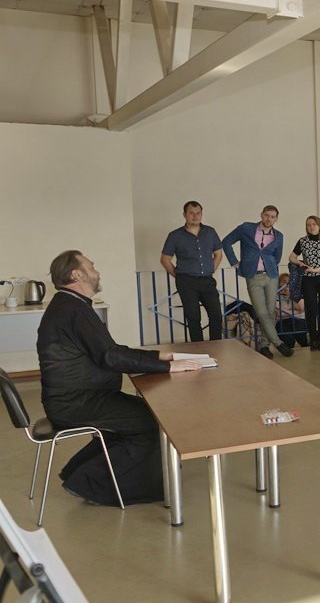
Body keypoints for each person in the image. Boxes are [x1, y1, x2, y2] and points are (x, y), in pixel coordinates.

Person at [37, 251, 200, 505]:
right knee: (154, 422)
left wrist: (160, 356)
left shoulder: (70, 305)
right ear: (77, 274)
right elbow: (111, 356)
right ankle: (87, 483)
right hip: (76, 403)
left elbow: (111, 350)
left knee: (147, 416)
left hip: (79, 398)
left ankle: (79, 475)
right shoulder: (73, 310)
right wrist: (168, 367)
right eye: (91, 267)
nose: (97, 272)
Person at [222, 205, 293, 359]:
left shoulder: (278, 236)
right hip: (253, 276)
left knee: (271, 312)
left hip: (271, 276)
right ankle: (278, 343)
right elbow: (226, 242)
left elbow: (277, 257)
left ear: (276, 219)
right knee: (261, 312)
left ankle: (264, 346)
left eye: (272, 217)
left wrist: (270, 265)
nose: (269, 219)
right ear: (261, 215)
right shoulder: (246, 228)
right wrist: (234, 262)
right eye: (266, 215)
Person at [159, 200, 223, 343]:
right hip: (186, 281)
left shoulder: (210, 232)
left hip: (207, 280)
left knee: (216, 315)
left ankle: (216, 348)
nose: (195, 216)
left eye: (198, 213)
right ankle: (199, 350)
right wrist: (178, 275)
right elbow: (165, 259)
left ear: (201, 214)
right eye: (191, 213)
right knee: (193, 317)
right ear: (184, 215)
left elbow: (218, 254)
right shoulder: (175, 235)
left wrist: (211, 269)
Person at [288, 215, 320, 350]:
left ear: (319, 226)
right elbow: (292, 257)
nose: (311, 227)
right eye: (308, 224)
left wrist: (316, 270)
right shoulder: (302, 241)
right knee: (311, 308)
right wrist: (300, 263)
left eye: (314, 224)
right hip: (308, 279)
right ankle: (313, 338)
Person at [274, 271, 308, 349]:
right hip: (283, 321)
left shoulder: (297, 293)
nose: (286, 284)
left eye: (289, 282)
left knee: (301, 336)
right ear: (279, 284)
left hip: (299, 319)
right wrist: (296, 312)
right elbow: (280, 313)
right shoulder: (276, 296)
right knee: (288, 340)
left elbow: (300, 308)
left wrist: (291, 294)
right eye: (284, 282)